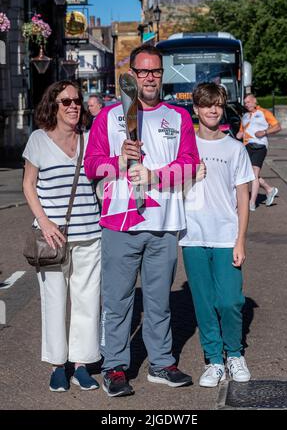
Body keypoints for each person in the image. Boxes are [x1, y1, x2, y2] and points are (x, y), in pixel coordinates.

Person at [84, 44, 199, 397]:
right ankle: (115, 367)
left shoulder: (178, 117)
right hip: (120, 221)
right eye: (143, 71)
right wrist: (118, 161)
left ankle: (162, 363)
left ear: (162, 75)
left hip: (163, 223)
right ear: (131, 75)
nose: (150, 77)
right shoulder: (110, 116)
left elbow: (191, 165)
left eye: (156, 71)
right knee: (117, 300)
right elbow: (91, 165)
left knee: (158, 300)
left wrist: (155, 177)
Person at [23, 80, 102, 392]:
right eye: (66, 101)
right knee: (54, 301)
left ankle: (82, 365)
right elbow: (29, 185)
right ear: (52, 106)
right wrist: (44, 222)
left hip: (90, 233)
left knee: (87, 302)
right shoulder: (38, 140)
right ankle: (58, 365)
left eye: (77, 101)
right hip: (52, 238)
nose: (73, 106)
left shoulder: (88, 139)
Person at [179, 83, 255, 387]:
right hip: (193, 236)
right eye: (207, 104)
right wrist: (186, 174)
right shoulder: (185, 148)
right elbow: (169, 188)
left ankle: (235, 354)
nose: (213, 110)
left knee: (230, 301)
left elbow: (243, 198)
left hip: (226, 236)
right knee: (204, 302)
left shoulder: (234, 148)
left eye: (218, 105)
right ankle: (214, 360)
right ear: (196, 109)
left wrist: (241, 240)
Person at [236, 94, 281, 211]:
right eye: (245, 103)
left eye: (249, 102)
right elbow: (242, 131)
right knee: (250, 174)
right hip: (246, 147)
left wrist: (264, 132)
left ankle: (252, 203)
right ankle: (270, 189)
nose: (247, 104)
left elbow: (277, 127)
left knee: (254, 174)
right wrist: (239, 134)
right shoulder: (245, 116)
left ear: (255, 101)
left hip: (259, 146)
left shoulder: (264, 113)